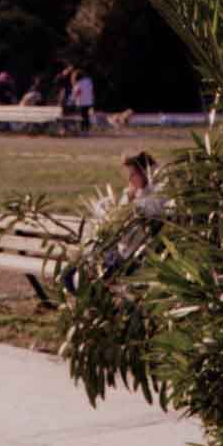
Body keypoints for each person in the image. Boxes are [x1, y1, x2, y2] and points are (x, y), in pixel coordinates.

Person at [62, 150, 165, 293]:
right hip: (116, 250)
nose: (129, 179)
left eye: (132, 174)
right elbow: (115, 216)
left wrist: (130, 202)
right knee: (68, 274)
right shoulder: (134, 193)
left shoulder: (155, 197)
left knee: (93, 276)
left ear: (144, 172)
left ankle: (94, 305)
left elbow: (135, 218)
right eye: (128, 175)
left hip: (132, 256)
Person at [71, 67, 95, 134]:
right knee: (86, 116)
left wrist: (72, 100)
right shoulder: (89, 81)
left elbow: (77, 92)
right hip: (89, 101)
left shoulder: (78, 83)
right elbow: (91, 91)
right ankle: (87, 130)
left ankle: (82, 130)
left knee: (82, 117)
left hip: (81, 102)